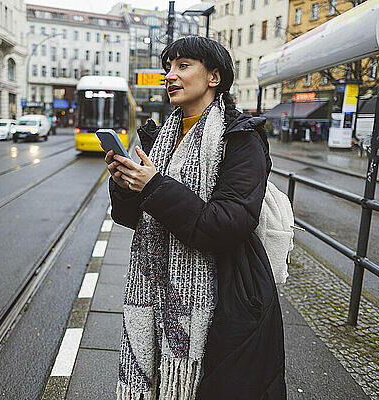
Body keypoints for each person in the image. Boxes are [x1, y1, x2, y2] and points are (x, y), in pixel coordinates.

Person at [105, 36, 286, 399]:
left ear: (214, 77)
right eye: (167, 68)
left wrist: (153, 186)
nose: (170, 75)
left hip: (222, 298)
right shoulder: (160, 138)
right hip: (153, 295)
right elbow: (132, 218)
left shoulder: (240, 139)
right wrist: (126, 185)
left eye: (182, 66)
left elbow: (226, 223)